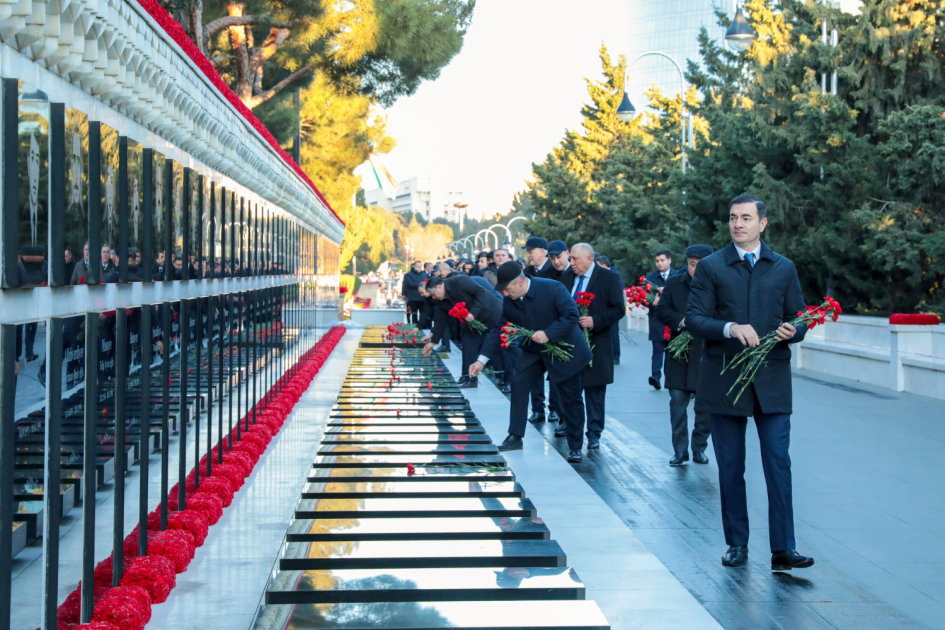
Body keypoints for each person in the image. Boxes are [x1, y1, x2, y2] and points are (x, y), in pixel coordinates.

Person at [686, 194, 813, 571]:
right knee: (731, 466)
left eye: (745, 218)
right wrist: (729, 327)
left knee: (778, 462)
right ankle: (736, 544)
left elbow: (800, 315)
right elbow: (694, 319)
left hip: (772, 380)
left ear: (763, 223)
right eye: (732, 218)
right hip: (724, 380)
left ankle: (783, 548)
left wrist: (795, 330)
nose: (738, 223)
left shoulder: (784, 267)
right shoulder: (711, 266)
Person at [471, 262, 591, 462]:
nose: (506, 295)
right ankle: (515, 436)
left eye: (508, 289)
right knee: (518, 383)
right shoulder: (510, 300)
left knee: (570, 398)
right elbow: (499, 327)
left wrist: (548, 334)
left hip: (565, 349)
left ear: (519, 282)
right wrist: (481, 360)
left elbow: (571, 315)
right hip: (536, 349)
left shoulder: (552, 288)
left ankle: (575, 446)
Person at [561, 244, 625, 449]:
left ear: (589, 259)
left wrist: (595, 321)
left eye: (575, 259)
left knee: (595, 391)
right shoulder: (567, 278)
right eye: (570, 259)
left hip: (597, 343)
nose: (571, 263)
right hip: (570, 343)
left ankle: (594, 432)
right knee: (570, 389)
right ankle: (570, 427)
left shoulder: (608, 278)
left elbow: (618, 309)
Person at [655, 244, 713, 467]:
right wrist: (681, 321)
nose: (694, 270)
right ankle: (680, 451)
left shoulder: (719, 285)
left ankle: (699, 448)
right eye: (691, 265)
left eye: (700, 266)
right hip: (679, 353)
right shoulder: (674, 283)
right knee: (678, 403)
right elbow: (662, 311)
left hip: (706, 353)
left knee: (704, 407)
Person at [423, 274, 503, 389]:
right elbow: (442, 321)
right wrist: (433, 341)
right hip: (471, 322)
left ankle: (506, 379)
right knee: (468, 346)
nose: (433, 297)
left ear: (440, 287)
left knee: (498, 347)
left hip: (490, 313)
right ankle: (470, 379)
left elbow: (481, 293)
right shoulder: (440, 300)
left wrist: (472, 313)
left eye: (433, 294)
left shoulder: (460, 281)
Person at [522, 237, 557, 423]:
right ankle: (537, 409)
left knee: (554, 372)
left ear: (543, 251)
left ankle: (554, 409)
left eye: (531, 251)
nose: (528, 255)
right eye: (527, 251)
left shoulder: (555, 271)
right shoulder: (526, 272)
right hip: (532, 329)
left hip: (552, 329)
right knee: (534, 373)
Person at [645, 249, 676, 390]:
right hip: (657, 320)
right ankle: (655, 377)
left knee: (672, 351)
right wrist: (653, 303)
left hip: (673, 320)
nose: (659, 263)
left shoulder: (678, 276)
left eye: (662, 260)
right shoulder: (650, 278)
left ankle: (671, 379)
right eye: (657, 261)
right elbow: (643, 298)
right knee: (657, 349)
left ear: (669, 260)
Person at [596, 255, 624, 365]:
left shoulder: (614, 275)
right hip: (604, 310)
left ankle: (615, 356)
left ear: (603, 265)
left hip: (612, 309)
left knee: (614, 333)